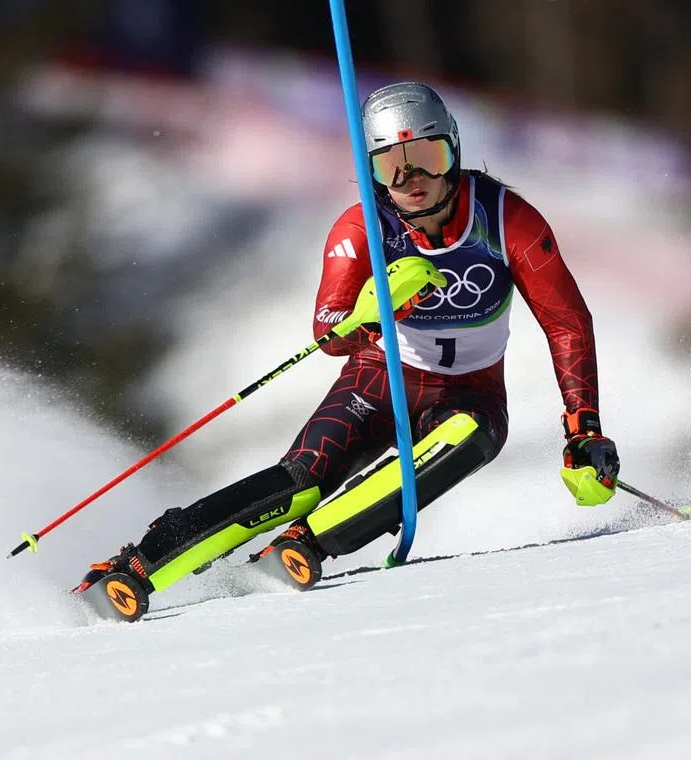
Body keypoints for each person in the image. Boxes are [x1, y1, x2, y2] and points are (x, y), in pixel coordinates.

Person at [72, 81, 620, 619]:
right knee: (301, 480)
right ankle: (139, 566)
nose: (413, 179)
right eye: (391, 165)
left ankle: (304, 546)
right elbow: (328, 331)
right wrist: (379, 313)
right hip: (378, 378)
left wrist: (583, 427)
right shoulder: (362, 227)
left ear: (454, 151)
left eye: (427, 156)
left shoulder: (506, 220)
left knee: (474, 437)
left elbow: (566, 321)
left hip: (470, 391)